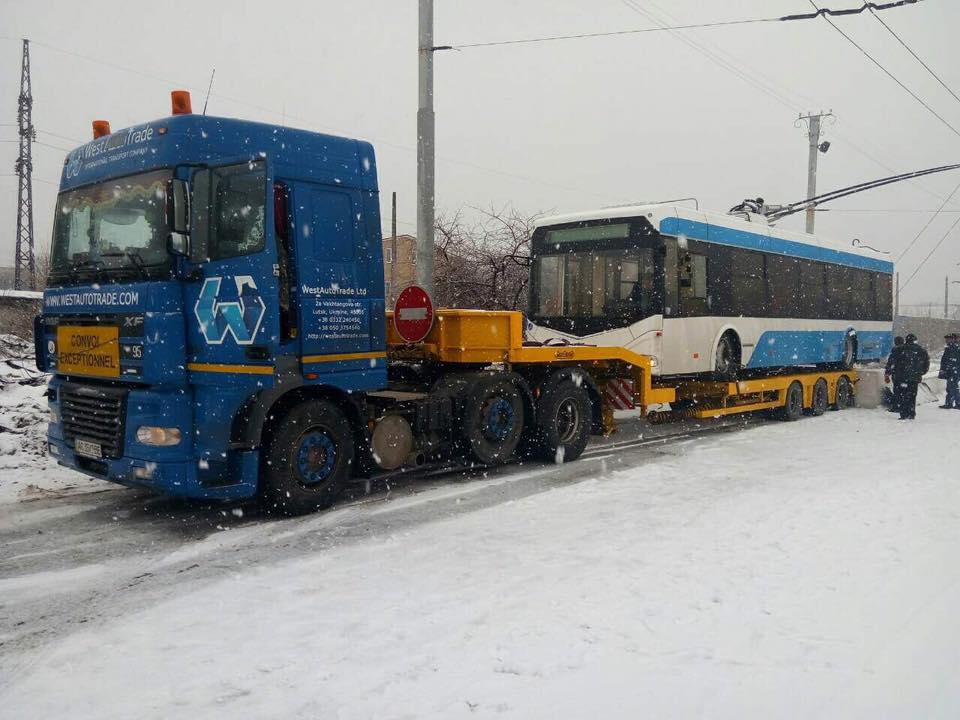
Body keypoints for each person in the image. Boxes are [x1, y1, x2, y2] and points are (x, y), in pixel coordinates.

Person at [886, 333, 930, 420]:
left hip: (901, 378)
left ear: (906, 340)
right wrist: (920, 373)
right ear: (915, 340)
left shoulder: (898, 349)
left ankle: (903, 413)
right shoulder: (922, 351)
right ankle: (911, 413)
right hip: (914, 379)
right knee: (912, 396)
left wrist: (888, 373)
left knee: (902, 395)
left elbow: (891, 362)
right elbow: (926, 364)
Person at [939, 333, 960, 409]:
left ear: (953, 339)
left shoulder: (954, 348)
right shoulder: (951, 348)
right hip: (953, 371)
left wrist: (946, 369)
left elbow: (951, 361)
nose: (946, 340)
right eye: (946, 339)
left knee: (953, 387)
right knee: (951, 387)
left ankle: (955, 403)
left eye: (948, 339)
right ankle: (950, 403)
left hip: (953, 371)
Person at [885, 336, 905, 413]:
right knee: (904, 391)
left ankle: (897, 407)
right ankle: (904, 406)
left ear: (895, 342)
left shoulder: (895, 350)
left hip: (897, 374)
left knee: (897, 391)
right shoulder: (907, 349)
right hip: (906, 375)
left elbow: (890, 362)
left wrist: (887, 374)